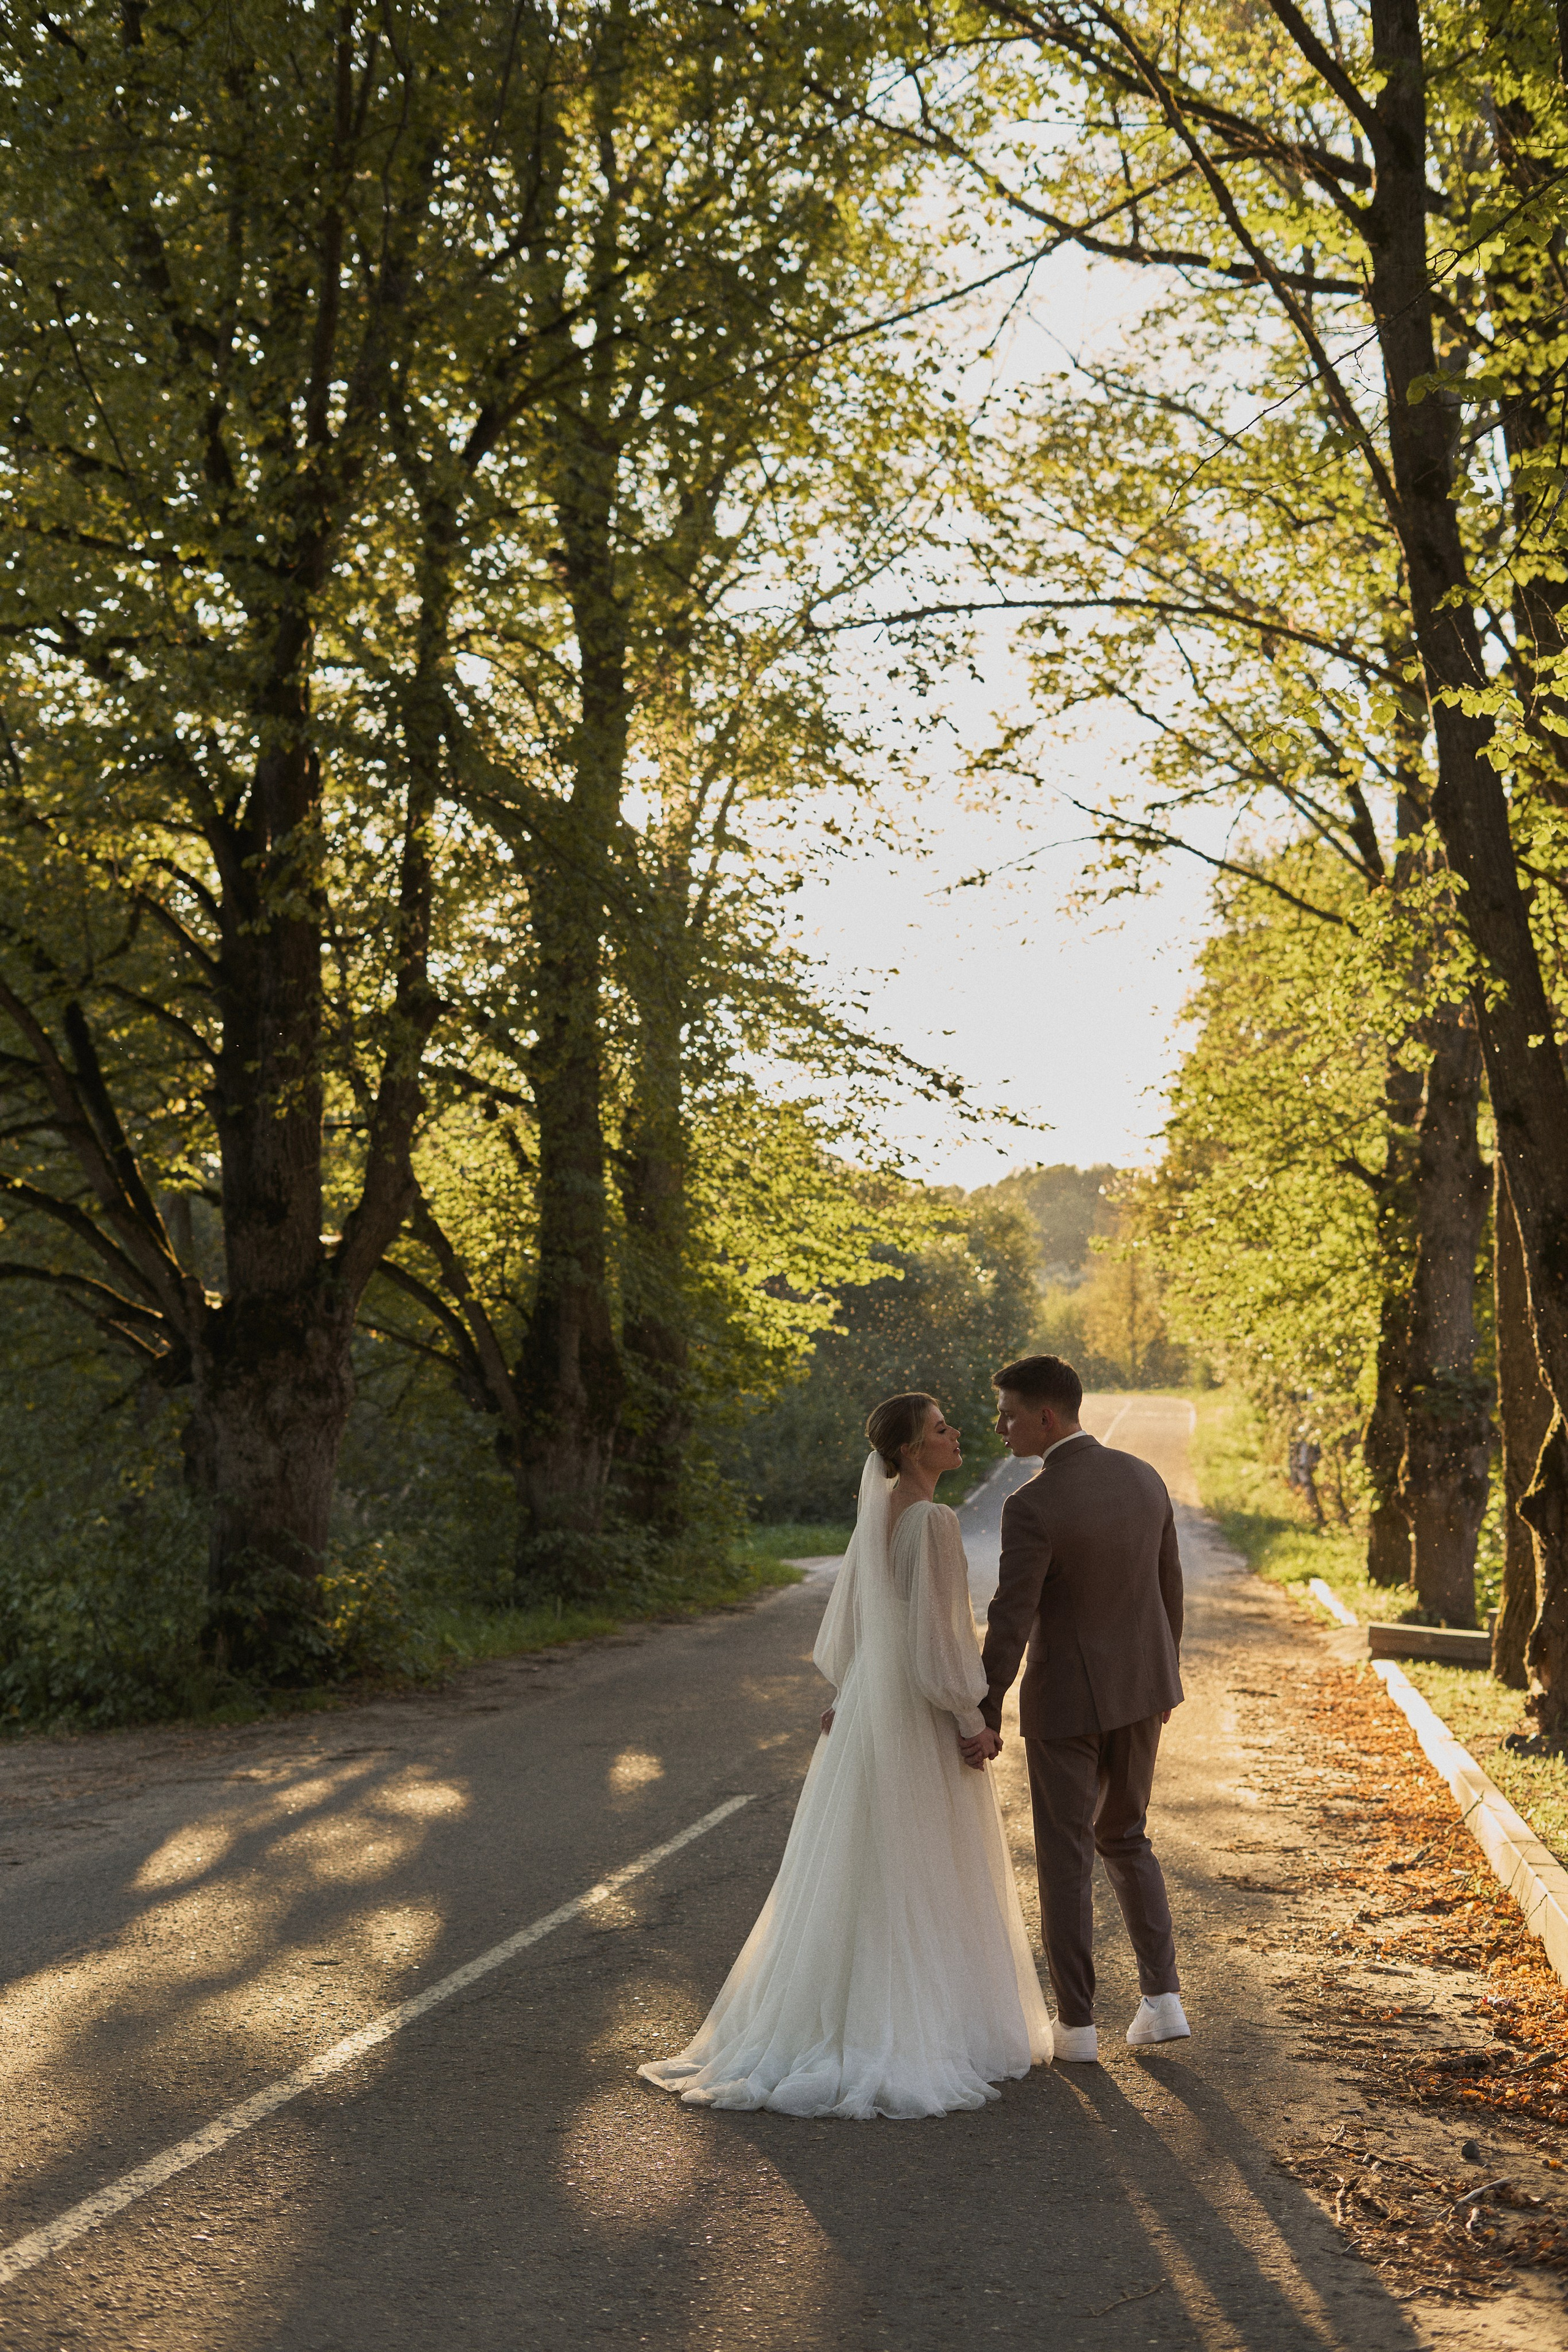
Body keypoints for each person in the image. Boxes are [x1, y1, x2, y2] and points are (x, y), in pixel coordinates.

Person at [639, 1394, 1052, 2118]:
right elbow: (939, 1639)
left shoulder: (879, 1514)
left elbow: (865, 1623)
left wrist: (853, 1687)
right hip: (916, 1713)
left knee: (863, 1859)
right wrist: (971, 1714)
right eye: (939, 1429)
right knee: (918, 1861)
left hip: (871, 1705)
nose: (956, 1436)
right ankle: (910, 2030)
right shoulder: (931, 1520)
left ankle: (840, 2018)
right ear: (907, 1451)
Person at [962, 1354, 1187, 2064]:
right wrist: (1164, 1675)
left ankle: (1078, 2030)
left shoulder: (1031, 1504)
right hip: (1145, 1692)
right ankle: (1163, 2000)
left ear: (1045, 1418)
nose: (999, 1428)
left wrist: (987, 1707)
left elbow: (1011, 1617)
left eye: (1007, 1414)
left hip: (1067, 1704)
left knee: (1065, 1861)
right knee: (1125, 1837)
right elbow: (1168, 1584)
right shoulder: (1144, 1477)